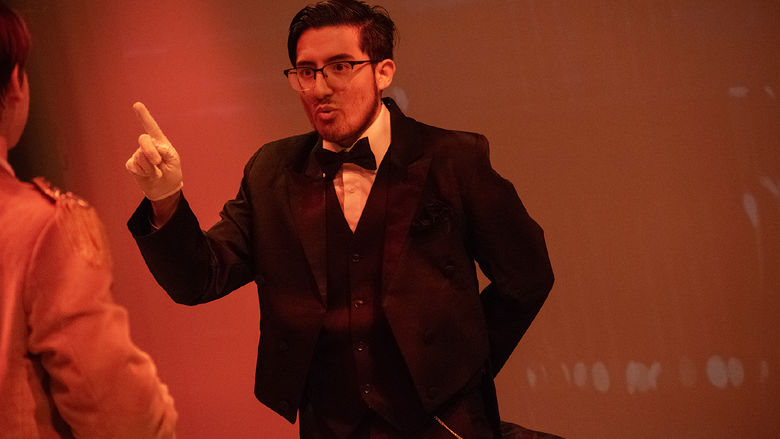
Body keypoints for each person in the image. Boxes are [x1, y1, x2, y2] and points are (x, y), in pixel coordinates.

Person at [125, 0, 553, 438]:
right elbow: (200, 278)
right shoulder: (271, 171)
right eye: (305, 71)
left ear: (383, 71)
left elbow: (528, 277)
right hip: (330, 424)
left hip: (442, 422)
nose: (320, 88)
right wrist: (165, 198)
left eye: (340, 66)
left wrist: (461, 367)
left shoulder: (453, 159)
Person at [0, 4, 178, 438]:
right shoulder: (43, 226)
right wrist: (161, 415)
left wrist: (167, 199)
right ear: (14, 84)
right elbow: (120, 415)